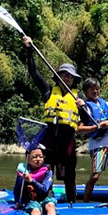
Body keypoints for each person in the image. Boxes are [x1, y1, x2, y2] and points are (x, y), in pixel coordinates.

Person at [22, 36, 83, 204]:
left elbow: (86, 118)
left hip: (67, 145)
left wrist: (83, 106)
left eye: (70, 76)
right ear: (58, 77)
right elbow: (34, 73)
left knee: (69, 177)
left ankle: (72, 203)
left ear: (74, 79)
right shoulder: (48, 91)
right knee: (45, 173)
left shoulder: (79, 97)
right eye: (64, 75)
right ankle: (45, 200)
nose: (67, 78)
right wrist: (29, 50)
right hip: (48, 143)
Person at [78, 77, 108, 202]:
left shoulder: (104, 103)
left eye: (97, 89)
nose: (95, 91)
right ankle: (85, 202)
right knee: (95, 176)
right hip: (98, 145)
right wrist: (98, 126)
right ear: (86, 92)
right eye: (92, 89)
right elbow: (79, 129)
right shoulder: (85, 108)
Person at [14, 145, 62, 215]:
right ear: (28, 159)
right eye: (34, 157)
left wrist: (32, 181)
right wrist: (17, 201)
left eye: (41, 156)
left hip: (45, 197)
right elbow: (17, 188)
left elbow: (44, 190)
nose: (38, 159)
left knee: (50, 205)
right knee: (35, 209)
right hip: (31, 199)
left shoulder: (47, 171)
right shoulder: (23, 172)